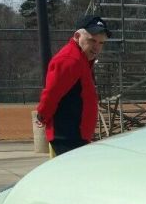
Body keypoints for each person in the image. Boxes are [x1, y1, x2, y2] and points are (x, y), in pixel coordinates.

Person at [36, 14, 110, 156]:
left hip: (74, 135)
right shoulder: (71, 60)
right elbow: (52, 93)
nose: (96, 47)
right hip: (67, 136)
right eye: (92, 40)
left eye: (101, 43)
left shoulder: (82, 59)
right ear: (77, 36)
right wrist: (42, 115)